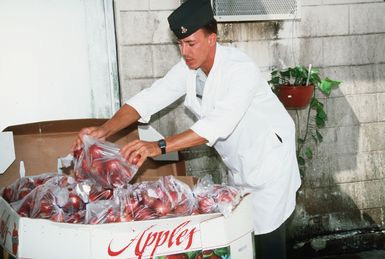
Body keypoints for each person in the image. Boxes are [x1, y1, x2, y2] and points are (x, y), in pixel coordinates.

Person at [74, 0, 301, 258]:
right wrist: (103, 131)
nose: (184, 51)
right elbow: (150, 98)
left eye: (191, 43)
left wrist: (157, 147)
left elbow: (216, 125)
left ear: (212, 38)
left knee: (268, 239)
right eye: (180, 44)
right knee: (244, 235)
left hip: (270, 162)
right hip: (241, 161)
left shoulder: (240, 70)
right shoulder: (188, 69)